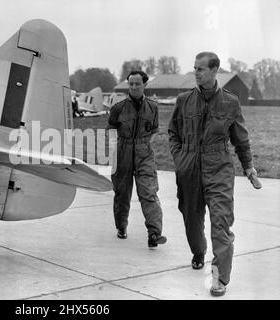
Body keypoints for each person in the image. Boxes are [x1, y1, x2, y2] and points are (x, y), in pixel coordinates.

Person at [168, 52, 259, 297]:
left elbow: (241, 139)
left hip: (218, 167)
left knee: (220, 221)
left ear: (215, 70)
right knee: (191, 218)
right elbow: (173, 133)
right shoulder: (184, 100)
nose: (196, 73)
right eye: (194, 68)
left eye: (201, 69)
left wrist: (248, 166)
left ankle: (219, 279)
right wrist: (180, 158)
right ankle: (198, 252)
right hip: (189, 168)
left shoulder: (230, 102)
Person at [108, 70, 167, 248]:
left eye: (137, 84)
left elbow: (154, 130)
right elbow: (111, 131)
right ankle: (121, 227)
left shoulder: (153, 107)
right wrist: (114, 153)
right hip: (122, 151)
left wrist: (144, 145)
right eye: (131, 84)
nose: (133, 87)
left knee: (149, 192)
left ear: (145, 85)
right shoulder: (118, 107)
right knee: (122, 193)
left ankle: (154, 233)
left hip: (144, 153)